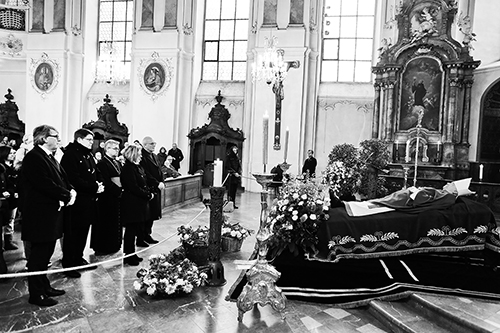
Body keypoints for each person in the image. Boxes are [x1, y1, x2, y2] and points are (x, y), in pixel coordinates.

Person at [19, 125, 75, 306]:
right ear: (43, 138)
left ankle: (44, 286)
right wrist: (66, 195)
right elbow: (44, 184)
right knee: (38, 257)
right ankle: (36, 294)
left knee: (46, 254)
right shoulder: (34, 157)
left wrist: (70, 190)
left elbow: (62, 179)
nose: (59, 139)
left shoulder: (48, 157)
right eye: (55, 136)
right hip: (39, 216)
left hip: (50, 214)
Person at [60, 129, 104, 278]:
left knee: (83, 232)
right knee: (73, 234)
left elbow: (96, 172)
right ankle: (68, 263)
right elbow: (72, 179)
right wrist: (94, 187)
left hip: (89, 201)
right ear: (79, 139)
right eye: (89, 139)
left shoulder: (88, 154)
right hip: (77, 202)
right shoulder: (70, 155)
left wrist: (100, 184)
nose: (92, 142)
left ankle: (78, 258)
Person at [120, 144, 152, 265]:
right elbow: (133, 187)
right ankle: (128, 256)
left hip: (138, 203)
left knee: (134, 230)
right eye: (139, 154)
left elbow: (143, 182)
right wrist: (147, 194)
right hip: (131, 204)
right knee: (130, 231)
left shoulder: (136, 167)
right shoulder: (128, 168)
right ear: (133, 155)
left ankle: (132, 254)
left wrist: (148, 192)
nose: (141, 156)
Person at [91, 139, 123, 255]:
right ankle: (103, 247)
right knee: (105, 223)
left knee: (115, 222)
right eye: (115, 148)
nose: (117, 150)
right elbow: (105, 181)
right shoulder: (102, 163)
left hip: (116, 196)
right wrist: (118, 190)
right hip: (107, 198)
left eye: (118, 148)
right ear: (107, 149)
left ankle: (114, 245)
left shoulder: (117, 162)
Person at [140, 136, 164, 245]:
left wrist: (162, 180)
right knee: (147, 214)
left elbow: (159, 169)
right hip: (149, 187)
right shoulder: (142, 156)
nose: (154, 145)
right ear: (144, 145)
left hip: (156, 188)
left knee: (153, 213)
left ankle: (148, 234)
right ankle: (142, 236)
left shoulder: (154, 155)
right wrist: (156, 183)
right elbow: (146, 173)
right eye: (151, 143)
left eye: (154, 143)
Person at [2, 146, 18, 251]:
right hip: (4, 198)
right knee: (5, 220)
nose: (13, 154)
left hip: (12, 197)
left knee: (11, 219)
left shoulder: (13, 167)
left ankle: (8, 240)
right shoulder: (2, 168)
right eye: (10, 153)